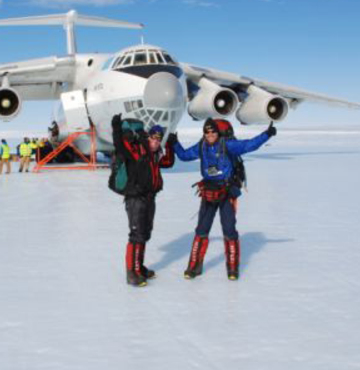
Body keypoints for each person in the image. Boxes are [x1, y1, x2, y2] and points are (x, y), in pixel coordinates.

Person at [170, 119, 276, 281]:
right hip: (208, 192)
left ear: (218, 133)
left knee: (229, 230)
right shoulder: (201, 146)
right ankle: (194, 266)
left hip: (226, 193)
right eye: (207, 132)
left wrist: (267, 134)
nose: (210, 134)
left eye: (213, 131)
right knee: (201, 230)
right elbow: (184, 156)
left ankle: (232, 267)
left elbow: (249, 145)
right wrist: (175, 143)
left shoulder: (227, 145)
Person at [112, 115, 175, 287]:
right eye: (153, 138)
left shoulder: (156, 154)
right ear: (148, 137)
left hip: (149, 198)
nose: (156, 142)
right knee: (136, 235)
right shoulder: (137, 150)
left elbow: (168, 162)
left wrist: (170, 145)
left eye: (159, 139)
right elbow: (120, 146)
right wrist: (116, 128)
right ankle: (132, 273)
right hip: (135, 198)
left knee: (145, 233)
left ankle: (139, 267)